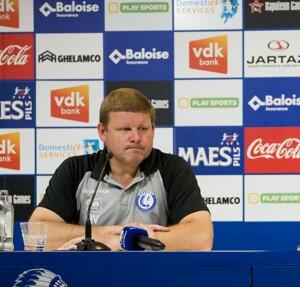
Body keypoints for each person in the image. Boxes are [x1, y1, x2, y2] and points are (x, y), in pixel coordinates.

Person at [29, 88, 213, 251]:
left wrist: (130, 240)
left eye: (143, 128)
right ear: (102, 132)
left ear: (153, 130)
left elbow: (201, 237)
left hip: (155, 279)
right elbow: (36, 235)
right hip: (89, 279)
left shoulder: (171, 168)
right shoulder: (76, 169)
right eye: (125, 129)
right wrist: (102, 235)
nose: (136, 137)